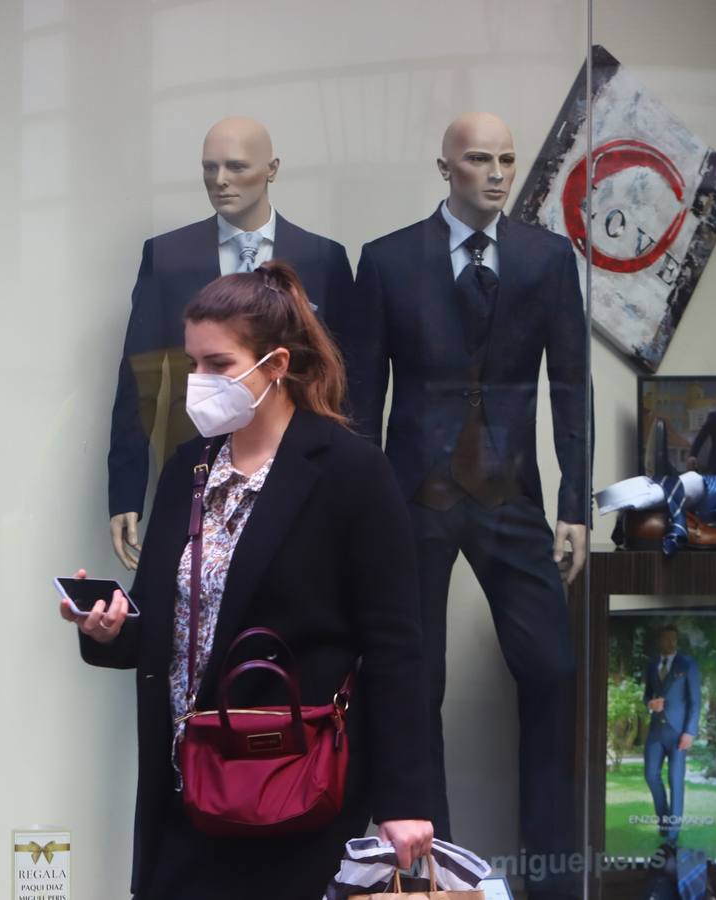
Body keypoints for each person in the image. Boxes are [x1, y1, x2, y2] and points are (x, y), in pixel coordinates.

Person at [65, 261, 432, 900]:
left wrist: (404, 799)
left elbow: (397, 647)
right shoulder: (187, 470)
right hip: (186, 782)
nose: (198, 382)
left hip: (294, 782)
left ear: (276, 366)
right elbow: (166, 622)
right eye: (192, 363)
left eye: (218, 364)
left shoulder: (350, 473)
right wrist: (108, 628)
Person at [335, 112, 589, 900]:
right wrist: (359, 508)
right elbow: (360, 397)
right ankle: (429, 871)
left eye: (507, 160)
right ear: (444, 167)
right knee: (414, 681)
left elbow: (571, 386)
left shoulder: (547, 259)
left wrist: (576, 503)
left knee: (552, 667)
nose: (497, 173)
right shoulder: (385, 260)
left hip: (510, 491)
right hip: (412, 492)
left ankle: (549, 870)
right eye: (479, 159)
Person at [107, 117, 355, 572]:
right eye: (210, 168)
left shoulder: (324, 258)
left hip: (296, 461)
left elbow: (343, 379)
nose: (220, 181)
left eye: (236, 167)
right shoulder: (167, 256)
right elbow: (137, 379)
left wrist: (349, 480)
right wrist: (126, 490)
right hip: (195, 461)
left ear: (272, 169)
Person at [643, 624, 702, 842]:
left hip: (679, 733)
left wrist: (690, 732)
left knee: (675, 780)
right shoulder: (651, 665)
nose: (670, 643)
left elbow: (696, 702)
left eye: (674, 640)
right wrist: (650, 704)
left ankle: (673, 832)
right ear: (660, 640)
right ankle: (665, 820)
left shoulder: (688, 664)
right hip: (656, 731)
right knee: (650, 775)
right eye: (666, 639)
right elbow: (646, 696)